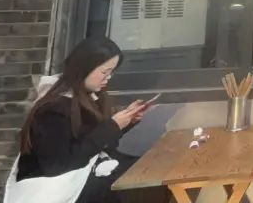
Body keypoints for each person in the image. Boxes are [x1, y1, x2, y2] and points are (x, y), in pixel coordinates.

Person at [14, 37, 151, 203]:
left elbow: (96, 142)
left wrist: (126, 122)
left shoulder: (91, 97)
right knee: (137, 183)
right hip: (58, 186)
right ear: (84, 69)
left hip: (86, 173)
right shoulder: (52, 110)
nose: (108, 77)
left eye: (112, 72)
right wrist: (113, 126)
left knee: (146, 169)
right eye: (104, 72)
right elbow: (56, 165)